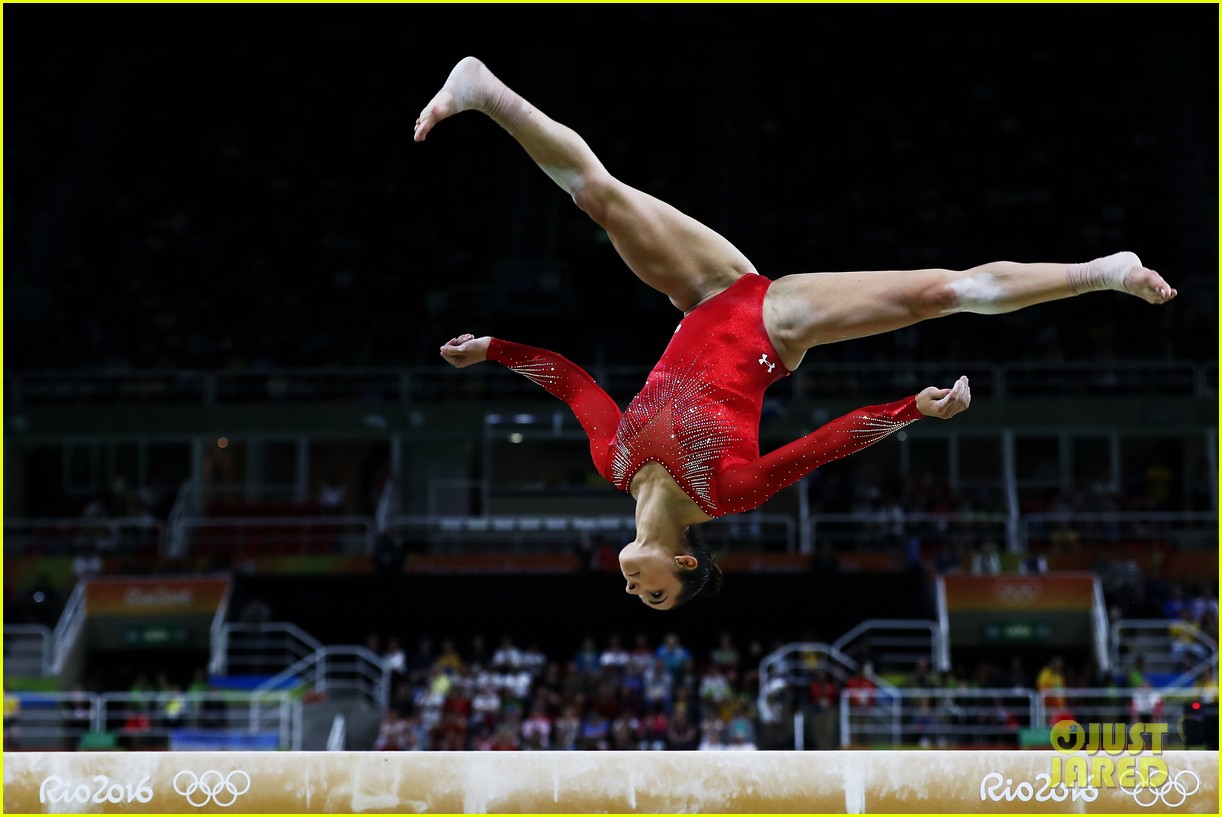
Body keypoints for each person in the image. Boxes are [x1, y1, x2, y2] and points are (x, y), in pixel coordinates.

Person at [417, 57, 1178, 611]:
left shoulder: (614, 461)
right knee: (944, 293)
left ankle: (484, 92)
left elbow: (571, 380)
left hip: (707, 290)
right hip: (773, 322)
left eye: (636, 592)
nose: (633, 585)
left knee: (601, 199)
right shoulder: (727, 493)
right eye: (653, 594)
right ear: (683, 561)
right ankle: (1101, 271)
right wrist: (919, 407)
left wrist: (489, 349)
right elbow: (830, 441)